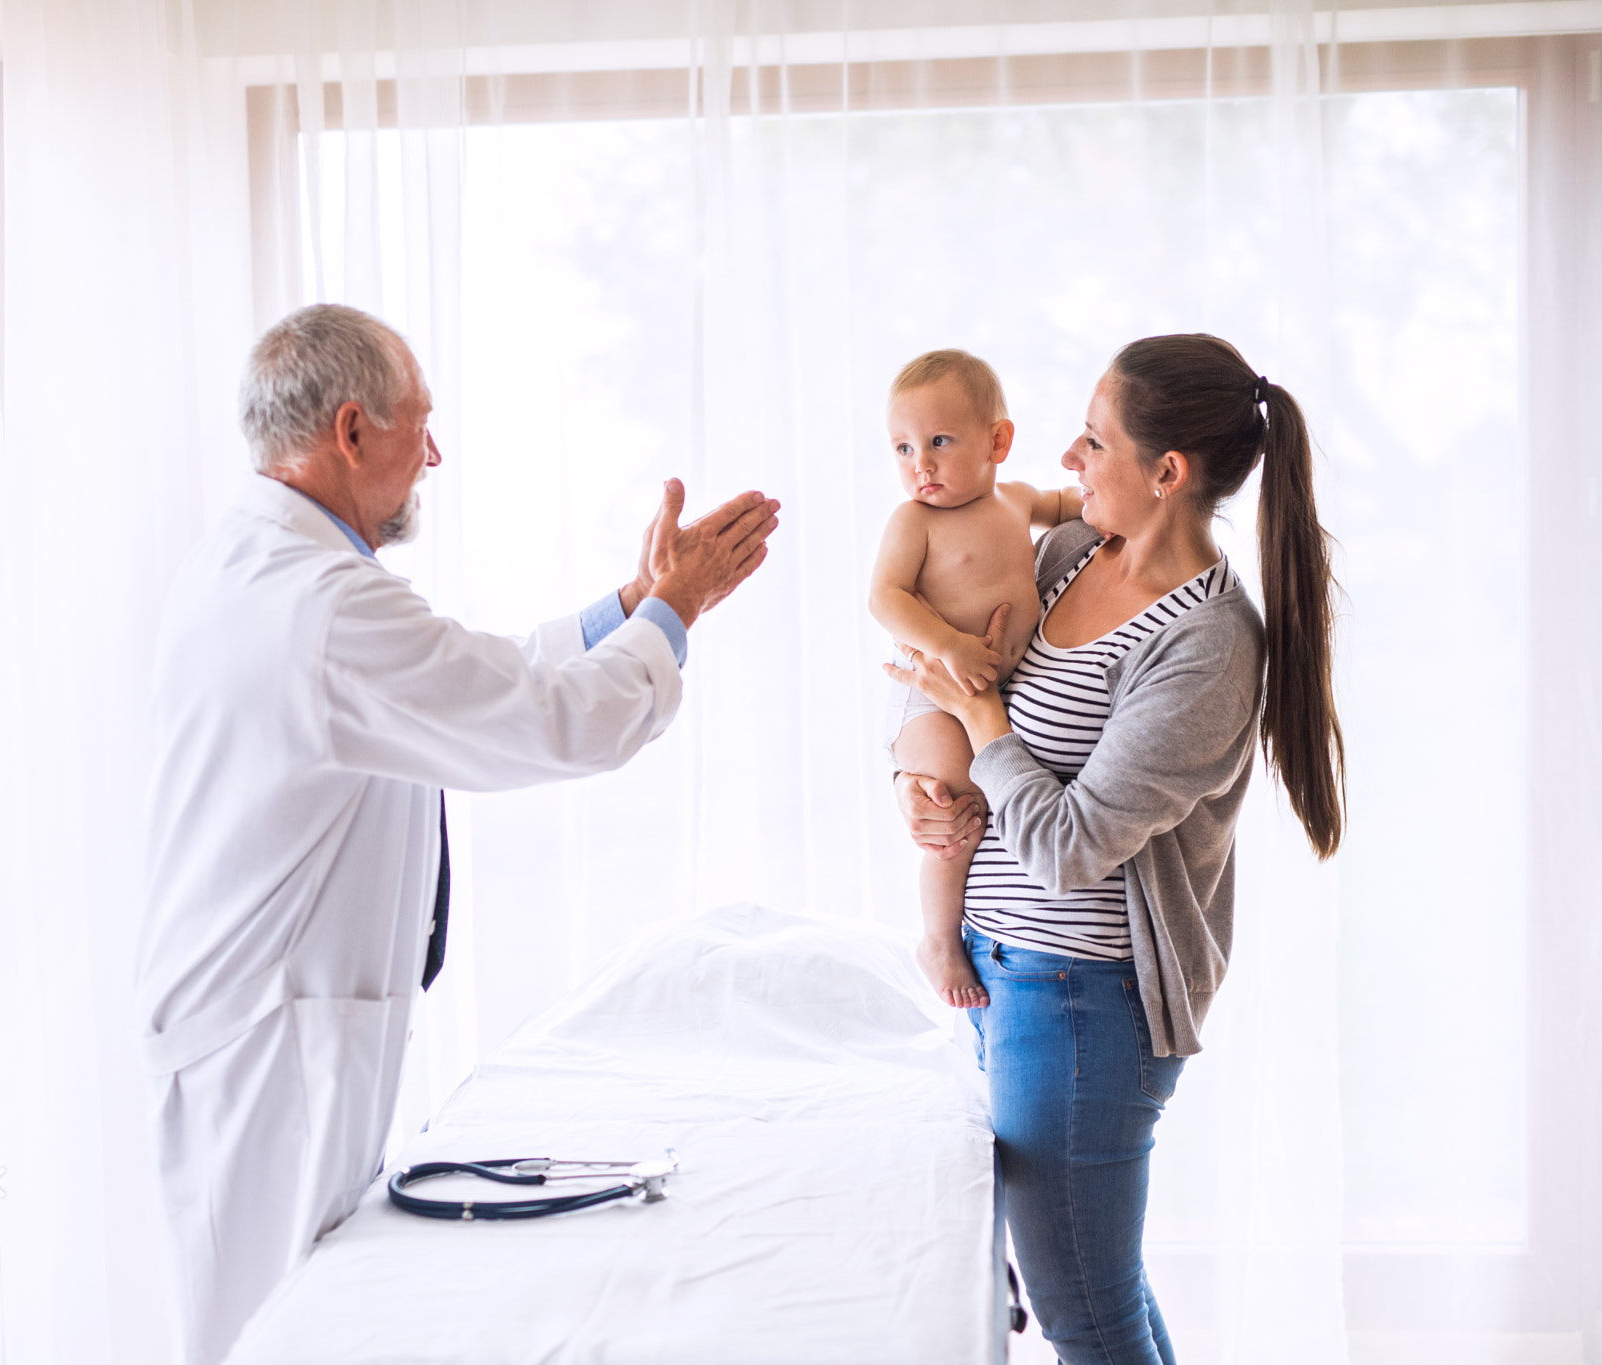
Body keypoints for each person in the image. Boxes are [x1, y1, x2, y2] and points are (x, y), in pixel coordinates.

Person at [136, 303, 779, 1365]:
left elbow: (476, 676)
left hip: (262, 1026)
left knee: (290, 1327)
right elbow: (548, 721)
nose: (431, 456)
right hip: (265, 1045)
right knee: (269, 1336)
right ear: (351, 431)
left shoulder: (266, 570)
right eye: (418, 426)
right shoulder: (317, 605)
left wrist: (633, 602)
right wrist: (675, 610)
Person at [885, 333, 1344, 1364]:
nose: (1066, 461)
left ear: (1165, 473)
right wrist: (918, 784)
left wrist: (980, 716)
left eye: (1093, 442)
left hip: (1084, 1006)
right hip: (1001, 978)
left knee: (1080, 1315)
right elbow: (931, 679)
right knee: (1101, 1291)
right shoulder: (1059, 560)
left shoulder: (1207, 645)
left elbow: (1069, 847)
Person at [868, 349, 1081, 1008]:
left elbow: (1069, 502)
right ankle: (937, 937)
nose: (919, 464)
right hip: (930, 693)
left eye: (937, 442)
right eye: (902, 448)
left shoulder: (1015, 502)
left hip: (988, 692)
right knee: (952, 813)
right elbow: (886, 598)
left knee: (987, 795)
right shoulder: (915, 521)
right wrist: (949, 643)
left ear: (999, 441)